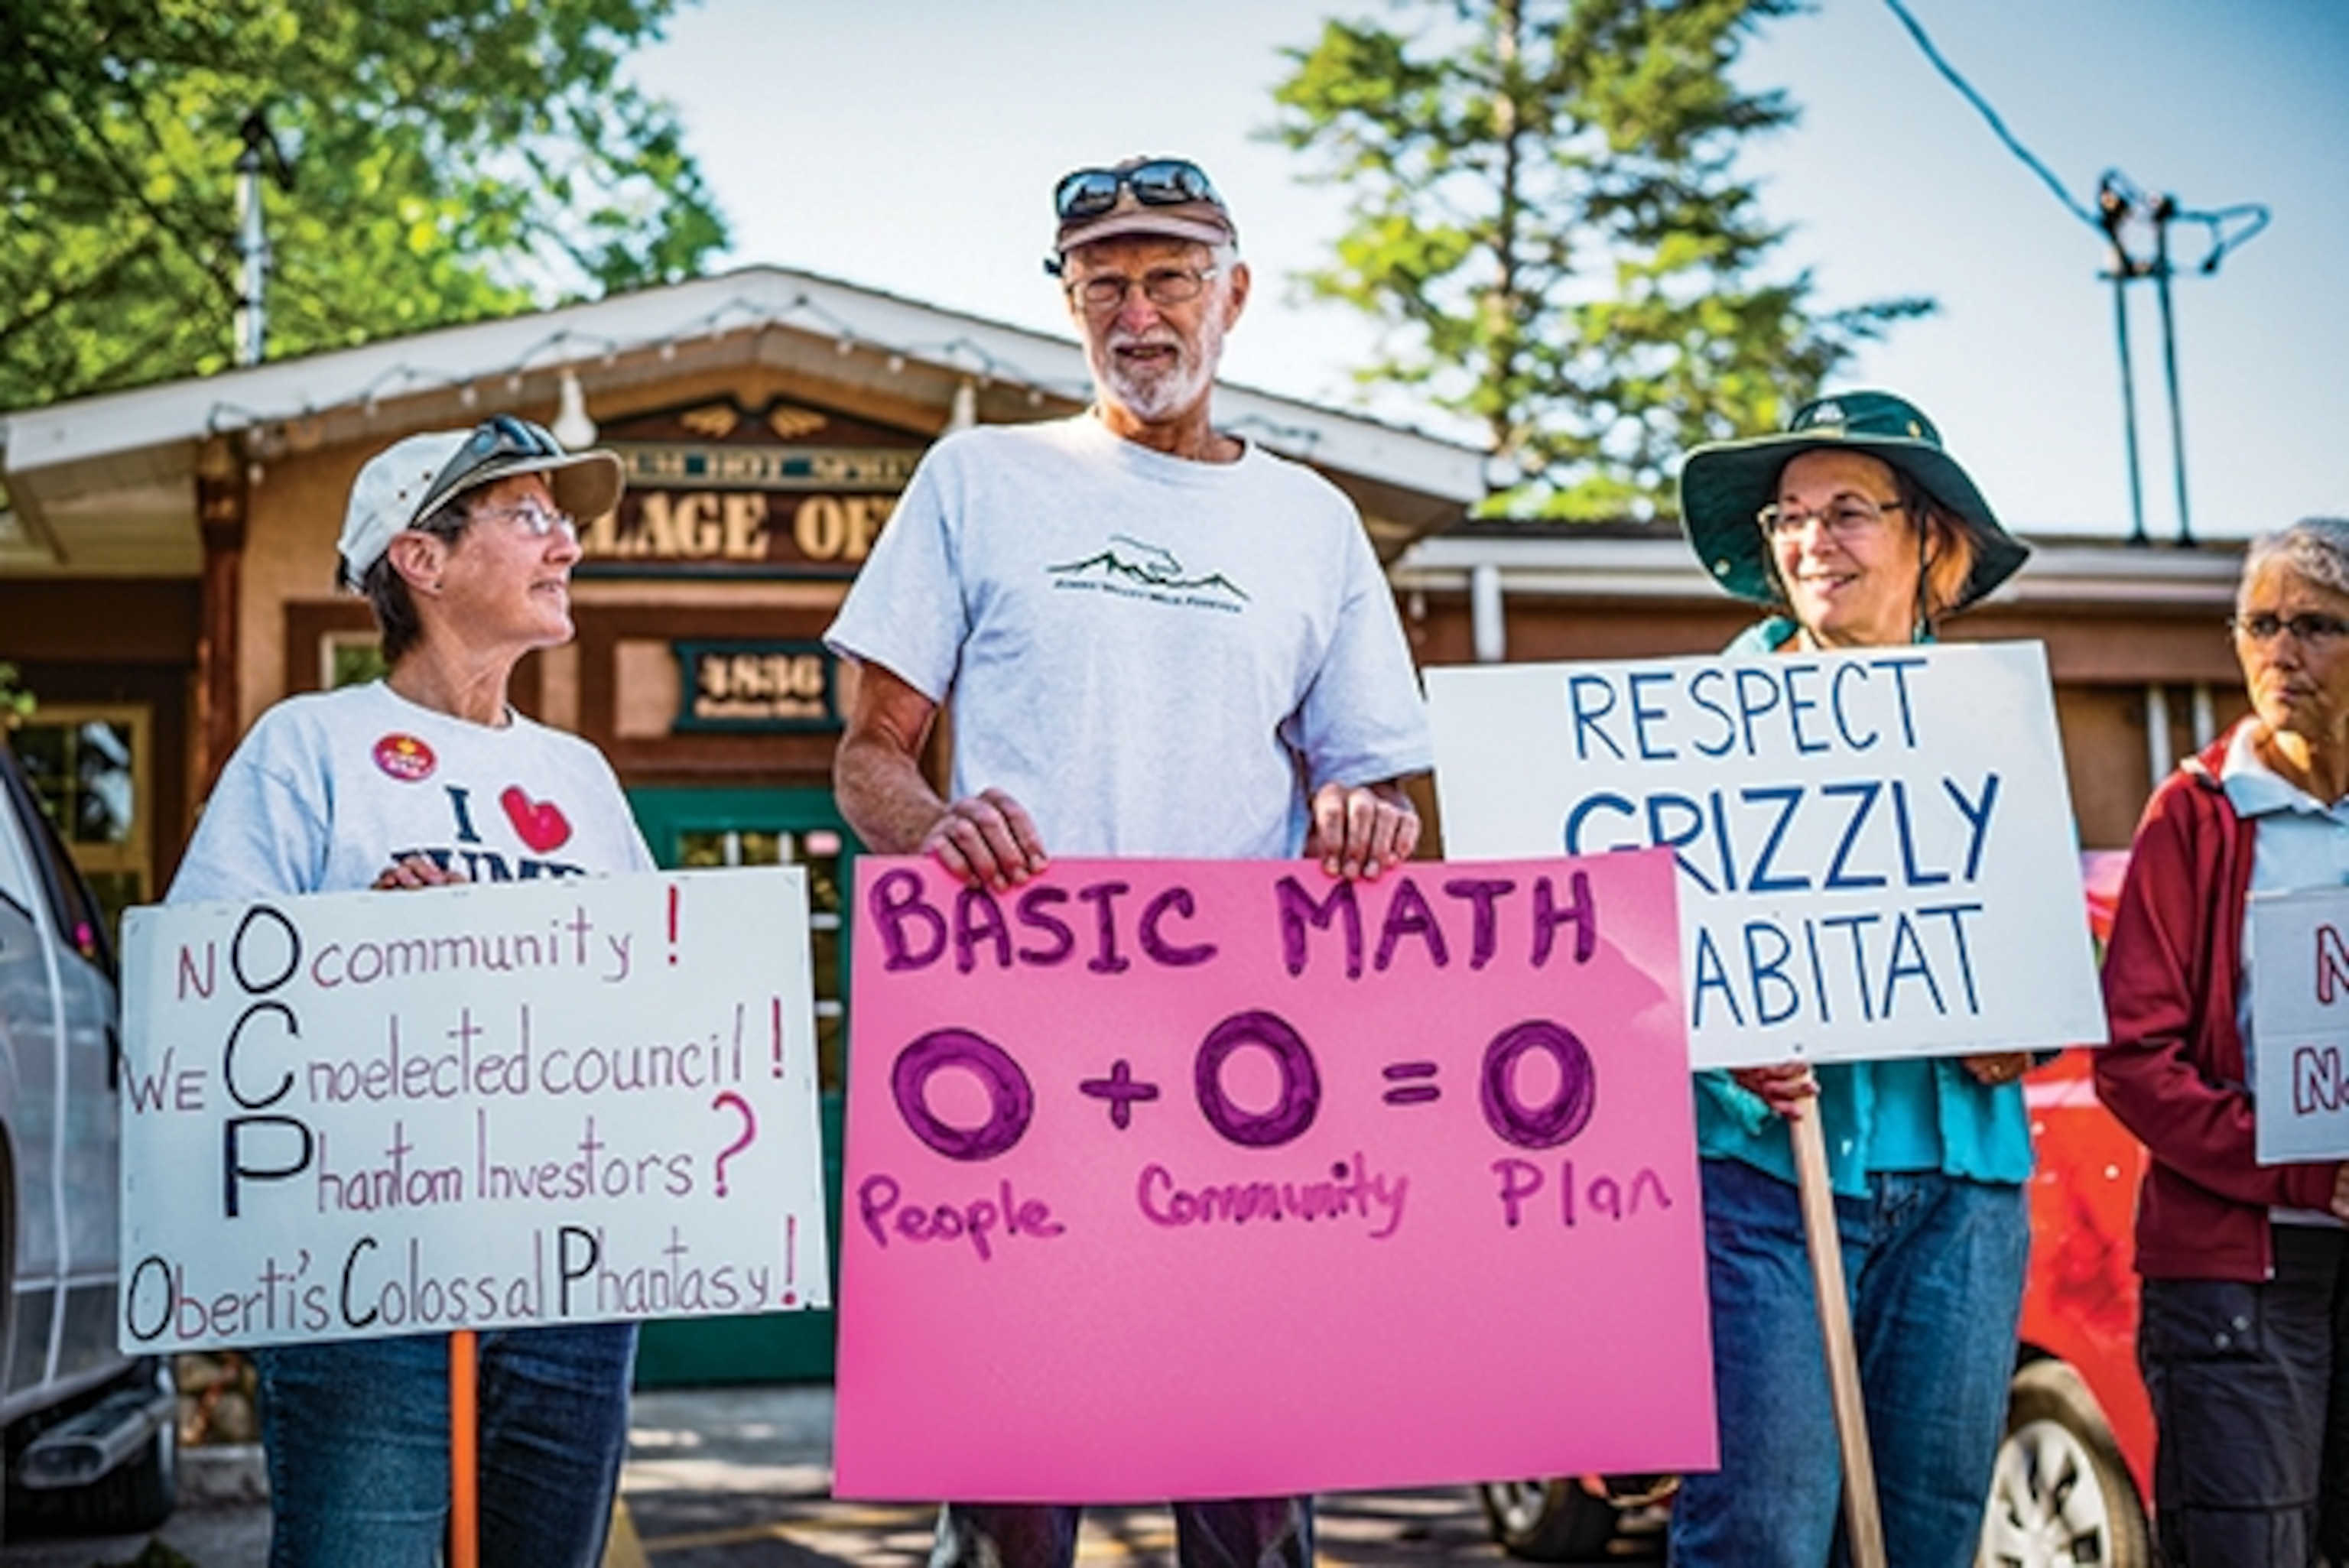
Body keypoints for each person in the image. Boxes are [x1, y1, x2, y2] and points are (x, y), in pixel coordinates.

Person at [825, 155, 1431, 1568]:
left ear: (1236, 295)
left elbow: (1369, 778)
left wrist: (1367, 818)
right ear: (1069, 305)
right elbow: (871, 759)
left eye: (1168, 279)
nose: (1138, 313)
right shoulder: (981, 479)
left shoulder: (1313, 522)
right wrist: (934, 825)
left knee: (1250, 1512)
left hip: (1248, 1081)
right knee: (1014, 1515)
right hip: (1015, 1073)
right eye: (1102, 283)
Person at [168, 414, 651, 1567]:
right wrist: (356, 948)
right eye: (528, 516)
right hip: (361, 1285)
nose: (566, 545)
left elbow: (653, 1002)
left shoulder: (576, 774)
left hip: (567, 1284)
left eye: (564, 520)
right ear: (420, 560)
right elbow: (196, 994)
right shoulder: (308, 748)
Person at [1665, 391, 2037, 1568]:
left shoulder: (1994, 725)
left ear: (1933, 538)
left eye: (1848, 512)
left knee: (1928, 1539)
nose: (1811, 539)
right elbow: (1621, 959)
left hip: (1963, 1191)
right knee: (1760, 1537)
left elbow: (2042, 949)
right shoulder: (1690, 726)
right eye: (1787, 517)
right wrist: (1713, 1034)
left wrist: (2028, 1024)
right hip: (1760, 1180)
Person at [2095, 517, 2349, 1566]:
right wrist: (2307, 1173)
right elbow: (2133, 1056)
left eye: (2318, 625)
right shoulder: (2194, 815)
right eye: (2260, 622)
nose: (2280, 653)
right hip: (2241, 1274)